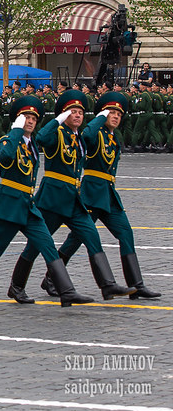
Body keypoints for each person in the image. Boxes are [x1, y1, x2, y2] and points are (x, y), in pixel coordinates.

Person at [0, 95, 94, 310]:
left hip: (28, 206)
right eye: (26, 117)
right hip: (8, 207)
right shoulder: (8, 140)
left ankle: (66, 291)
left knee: (48, 246)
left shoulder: (32, 144)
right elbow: (6, 157)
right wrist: (15, 131)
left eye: (34, 118)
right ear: (17, 121)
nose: (31, 121)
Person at [9, 90, 134, 303]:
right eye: (72, 112)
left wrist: (98, 118)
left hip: (74, 199)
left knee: (92, 236)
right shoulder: (57, 133)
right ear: (64, 115)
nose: (77, 116)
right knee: (37, 244)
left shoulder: (78, 138)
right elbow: (42, 138)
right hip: (53, 199)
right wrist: (59, 119)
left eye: (80, 113)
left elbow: (90, 135)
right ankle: (16, 286)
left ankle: (107, 284)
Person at [43, 92, 161, 300]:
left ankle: (137, 284)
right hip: (91, 192)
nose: (115, 117)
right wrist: (100, 117)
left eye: (118, 114)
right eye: (111, 113)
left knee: (126, 233)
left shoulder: (112, 137)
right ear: (102, 115)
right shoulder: (95, 133)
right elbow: (87, 136)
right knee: (77, 238)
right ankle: (52, 277)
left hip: (107, 193)